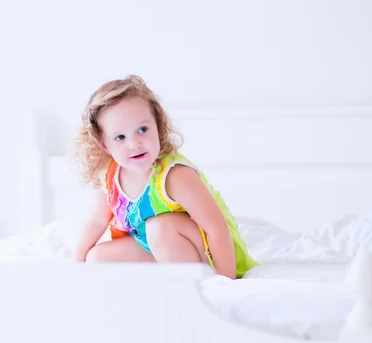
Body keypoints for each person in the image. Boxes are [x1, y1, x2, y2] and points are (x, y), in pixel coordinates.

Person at [71, 75, 257, 279]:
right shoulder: (111, 175)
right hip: (157, 248)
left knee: (158, 228)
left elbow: (216, 229)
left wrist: (225, 282)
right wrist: (74, 268)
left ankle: (194, 284)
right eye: (120, 137)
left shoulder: (175, 175)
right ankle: (161, 284)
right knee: (97, 259)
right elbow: (96, 221)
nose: (134, 144)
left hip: (212, 254)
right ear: (105, 144)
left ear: (158, 127)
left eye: (142, 130)